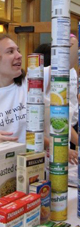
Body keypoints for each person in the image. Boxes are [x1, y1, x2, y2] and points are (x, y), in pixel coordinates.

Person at [34, 35, 78, 165]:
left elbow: (64, 124)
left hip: (61, 155)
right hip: (45, 157)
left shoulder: (61, 93)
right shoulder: (39, 85)